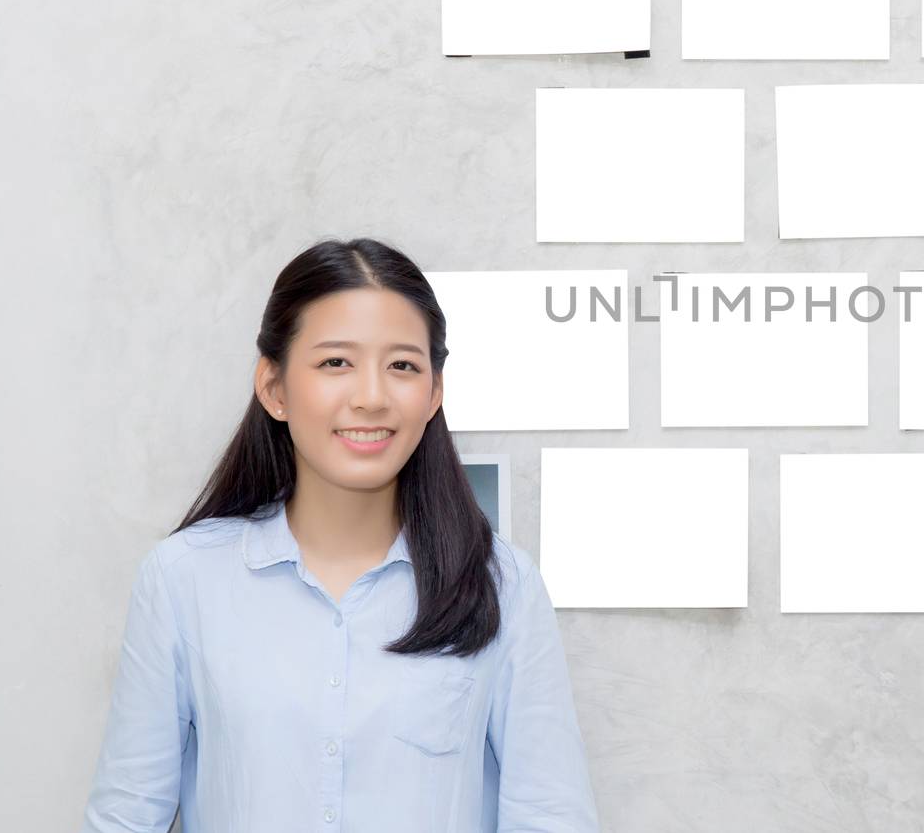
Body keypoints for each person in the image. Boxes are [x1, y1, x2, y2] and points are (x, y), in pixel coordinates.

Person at [81, 238, 601, 832]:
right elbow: (124, 818)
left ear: (433, 393)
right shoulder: (182, 579)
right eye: (336, 363)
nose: (372, 397)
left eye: (403, 365)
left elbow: (551, 818)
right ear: (274, 388)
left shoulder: (503, 584)